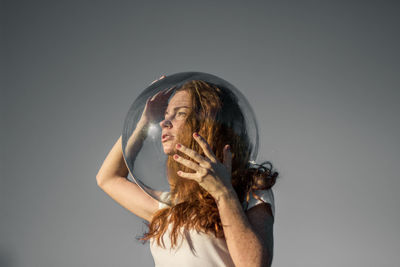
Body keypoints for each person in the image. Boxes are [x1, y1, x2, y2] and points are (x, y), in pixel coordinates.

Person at [96, 75, 278, 267]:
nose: (164, 122)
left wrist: (223, 193)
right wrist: (144, 122)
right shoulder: (167, 206)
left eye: (180, 113)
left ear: (209, 122)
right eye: (165, 114)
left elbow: (253, 264)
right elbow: (108, 178)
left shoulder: (249, 191)